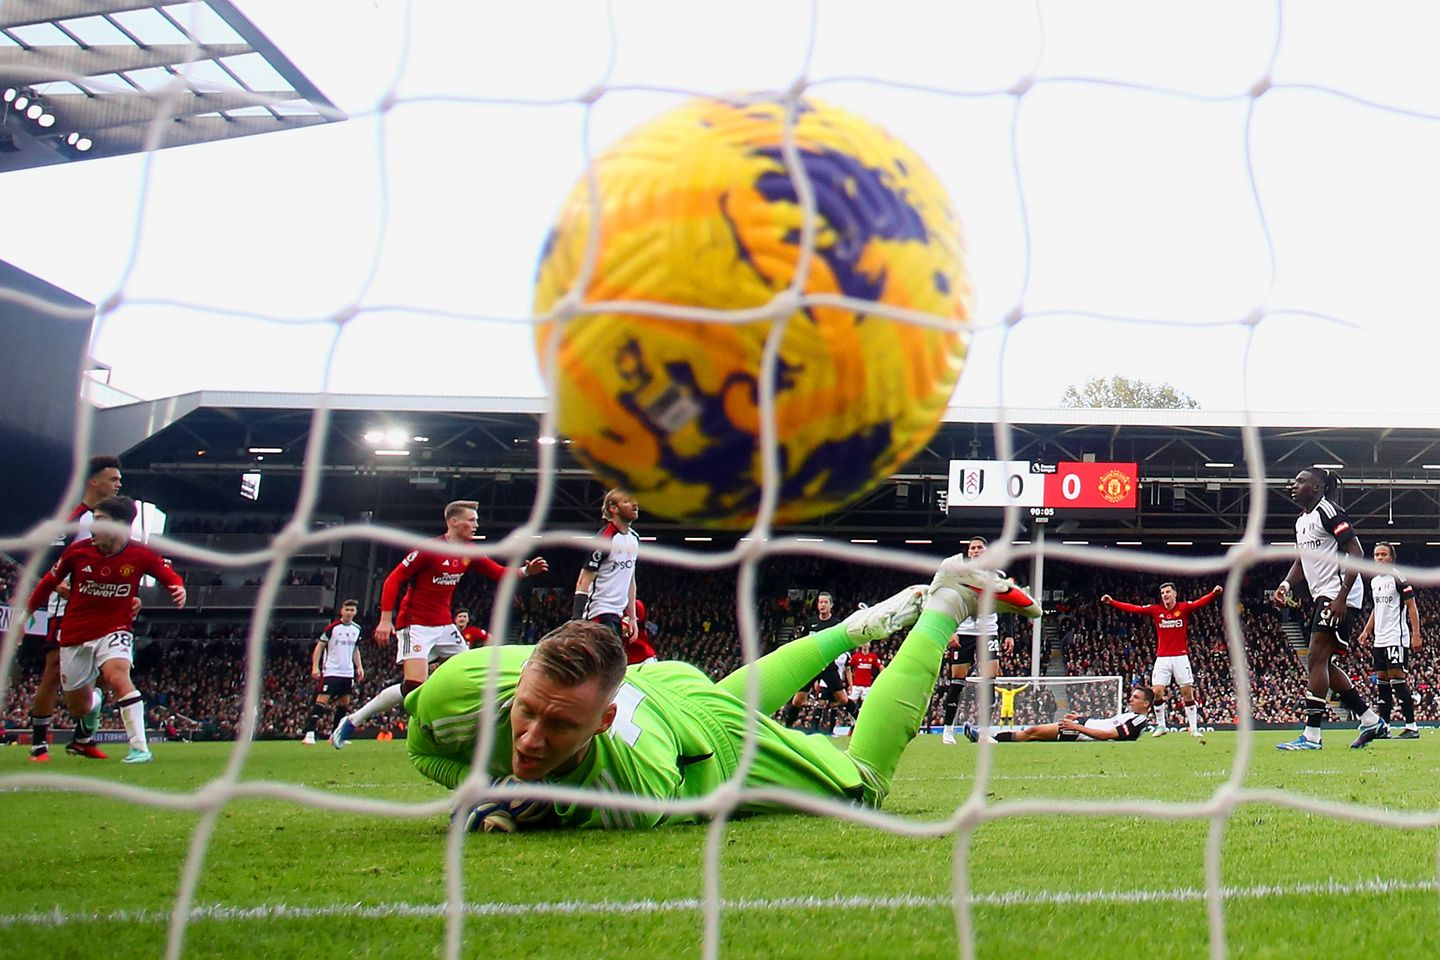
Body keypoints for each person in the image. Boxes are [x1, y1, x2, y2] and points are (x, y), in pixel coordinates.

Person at [406, 554, 1042, 831]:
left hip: (707, 750)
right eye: (528, 712)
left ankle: (949, 599)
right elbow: (421, 749)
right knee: (717, 700)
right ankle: (859, 627)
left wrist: (530, 802)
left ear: (601, 722)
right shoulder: (463, 686)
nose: (531, 738)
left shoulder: (636, 787)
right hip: (672, 686)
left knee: (865, 785)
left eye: (561, 728)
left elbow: (675, 757)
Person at [331, 500, 547, 748]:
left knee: (472, 673)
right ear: (453, 522)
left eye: (476, 520)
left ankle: (473, 731)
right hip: (415, 625)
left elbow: (498, 572)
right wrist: (385, 619)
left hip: (445, 627)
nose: (476, 524)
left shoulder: (469, 551)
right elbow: (394, 579)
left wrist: (525, 571)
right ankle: (353, 721)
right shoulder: (428, 549)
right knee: (414, 686)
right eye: (471, 520)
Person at [24, 496, 186, 763]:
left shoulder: (139, 554)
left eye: (99, 520)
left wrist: (177, 587)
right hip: (75, 634)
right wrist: (25, 618)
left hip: (116, 627)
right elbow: (47, 583)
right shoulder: (77, 553)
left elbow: (166, 573)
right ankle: (94, 704)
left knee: (117, 675)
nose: (92, 527)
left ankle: (140, 747)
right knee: (79, 707)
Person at [1273, 468, 1387, 750]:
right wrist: (1286, 585)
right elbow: (1302, 561)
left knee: (1315, 657)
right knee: (1323, 662)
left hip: (1339, 594)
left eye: (1300, 481)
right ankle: (1370, 719)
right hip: (1324, 594)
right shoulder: (1301, 522)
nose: (1294, 485)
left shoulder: (1329, 512)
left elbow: (1356, 553)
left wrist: (1341, 596)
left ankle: (1312, 735)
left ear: (1317, 487)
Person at [27, 455, 125, 763]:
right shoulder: (75, 520)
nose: (118, 484)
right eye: (113, 479)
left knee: (94, 669)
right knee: (54, 669)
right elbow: (51, 563)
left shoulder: (114, 521)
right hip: (66, 604)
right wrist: (59, 588)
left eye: (119, 480)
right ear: (93, 481)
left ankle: (83, 739)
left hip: (99, 602)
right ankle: (39, 744)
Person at [1100, 581, 1222, 740]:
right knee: (1156, 691)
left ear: (1174, 594)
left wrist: (1214, 593)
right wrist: (1112, 602)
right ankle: (1161, 725)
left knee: (1187, 693)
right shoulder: (1156, 610)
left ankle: (1193, 727)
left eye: (1167, 592)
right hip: (1162, 658)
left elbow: (1200, 602)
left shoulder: (1183, 608)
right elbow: (1134, 608)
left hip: (1180, 657)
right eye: (1163, 593)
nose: (1165, 595)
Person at [940, 537, 1014, 744]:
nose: (976, 551)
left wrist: (1008, 634)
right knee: (957, 682)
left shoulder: (998, 575)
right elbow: (949, 603)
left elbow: (1007, 605)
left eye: (980, 547)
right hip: (964, 632)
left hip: (989, 631)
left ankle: (984, 732)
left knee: (990, 682)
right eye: (972, 548)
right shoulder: (959, 575)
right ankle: (948, 731)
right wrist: (951, 630)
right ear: (969, 553)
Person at [1357, 542, 1422, 739]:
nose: (1380, 558)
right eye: (1377, 555)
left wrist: (1415, 634)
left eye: (1384, 554)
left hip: (1396, 637)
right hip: (1380, 639)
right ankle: (1383, 727)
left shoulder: (1398, 577)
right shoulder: (1375, 581)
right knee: (1382, 684)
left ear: (1391, 558)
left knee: (1398, 681)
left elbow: (1411, 606)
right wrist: (1367, 630)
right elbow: (1378, 608)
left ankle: (1412, 727)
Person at [780, 592, 857, 728]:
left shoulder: (836, 624)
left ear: (831, 605)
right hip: (811, 666)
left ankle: (860, 721)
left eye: (825, 602)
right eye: (820, 602)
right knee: (798, 700)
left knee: (843, 699)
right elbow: (801, 643)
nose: (822, 605)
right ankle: (786, 727)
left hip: (827, 666)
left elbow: (844, 643)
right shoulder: (810, 623)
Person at [964, 688, 1154, 743]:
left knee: (1033, 731)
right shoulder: (1130, 715)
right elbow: (1104, 724)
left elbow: (1106, 735)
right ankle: (987, 738)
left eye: (1135, 698)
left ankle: (986, 739)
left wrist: (1077, 727)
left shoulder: (1138, 720)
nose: (1130, 699)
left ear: (1146, 703)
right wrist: (1082, 717)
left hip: (1080, 733)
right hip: (1081, 726)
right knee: (1034, 733)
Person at [572, 489, 639, 639]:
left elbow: (630, 579)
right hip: (599, 614)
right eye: (627, 501)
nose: (635, 504)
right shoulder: (605, 539)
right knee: (608, 660)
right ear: (613, 509)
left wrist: (632, 617)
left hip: (617, 614)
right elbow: (583, 581)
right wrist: (576, 620)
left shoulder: (634, 538)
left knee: (613, 661)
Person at [302, 599, 365, 745]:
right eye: (347, 610)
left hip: (347, 672)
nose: (349, 613)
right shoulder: (333, 628)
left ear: (355, 612)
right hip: (332, 671)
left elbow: (355, 649)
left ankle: (335, 735)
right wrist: (315, 667)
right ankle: (309, 733)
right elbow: (319, 647)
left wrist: (359, 667)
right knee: (321, 702)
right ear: (341, 611)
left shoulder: (357, 629)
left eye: (352, 610)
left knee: (343, 704)